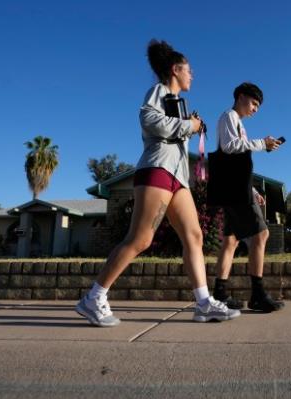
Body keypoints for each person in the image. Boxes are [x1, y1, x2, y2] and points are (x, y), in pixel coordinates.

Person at [76, 39, 240, 327]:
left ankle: (203, 303)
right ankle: (94, 297)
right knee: (140, 239)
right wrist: (188, 126)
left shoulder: (176, 102)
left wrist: (189, 125)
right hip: (157, 170)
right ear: (176, 70)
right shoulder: (159, 91)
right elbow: (149, 119)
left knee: (195, 237)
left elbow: (173, 129)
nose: (193, 76)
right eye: (189, 71)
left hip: (178, 176)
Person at [210, 82, 285, 312]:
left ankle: (220, 294)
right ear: (240, 96)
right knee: (262, 234)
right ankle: (257, 295)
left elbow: (234, 163)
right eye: (253, 103)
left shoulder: (237, 123)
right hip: (234, 191)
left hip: (234, 188)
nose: (255, 109)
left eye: (258, 106)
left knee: (231, 240)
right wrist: (262, 143)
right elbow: (230, 146)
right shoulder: (229, 117)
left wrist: (251, 189)